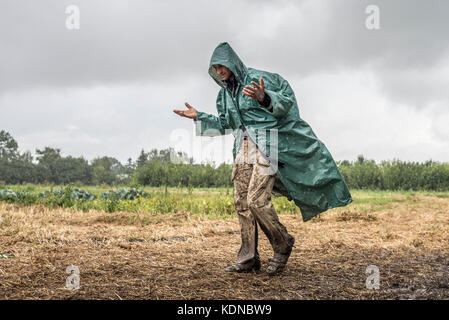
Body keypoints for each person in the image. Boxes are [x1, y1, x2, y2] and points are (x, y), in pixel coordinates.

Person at [173, 42, 352, 275]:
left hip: (269, 142)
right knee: (242, 202)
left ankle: (282, 243)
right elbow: (228, 123)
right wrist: (199, 117)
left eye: (221, 66)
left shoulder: (261, 78)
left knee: (256, 199)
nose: (219, 71)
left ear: (232, 62)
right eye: (215, 68)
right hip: (244, 146)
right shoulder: (225, 94)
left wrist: (263, 97)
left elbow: (286, 103)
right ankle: (248, 258)